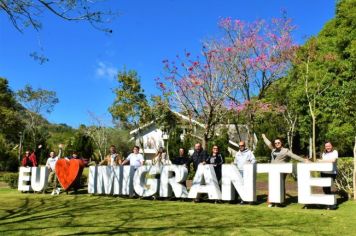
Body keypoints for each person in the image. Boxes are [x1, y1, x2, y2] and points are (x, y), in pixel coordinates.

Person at [262, 134, 309, 207]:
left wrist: (303, 160)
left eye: (278, 143)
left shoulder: (285, 150)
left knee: (280, 185)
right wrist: (264, 137)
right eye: (275, 143)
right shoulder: (273, 150)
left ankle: (281, 201)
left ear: (281, 143)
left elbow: (294, 156)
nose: (277, 144)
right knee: (272, 185)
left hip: (281, 171)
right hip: (272, 171)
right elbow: (268, 143)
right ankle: (272, 202)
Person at [318, 141, 338, 210]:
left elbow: (333, 160)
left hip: (332, 173)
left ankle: (332, 203)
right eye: (326, 146)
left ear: (331, 146)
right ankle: (328, 203)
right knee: (325, 188)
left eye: (329, 146)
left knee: (328, 187)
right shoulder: (324, 153)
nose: (328, 147)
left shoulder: (335, 152)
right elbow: (322, 162)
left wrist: (321, 161)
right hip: (323, 172)